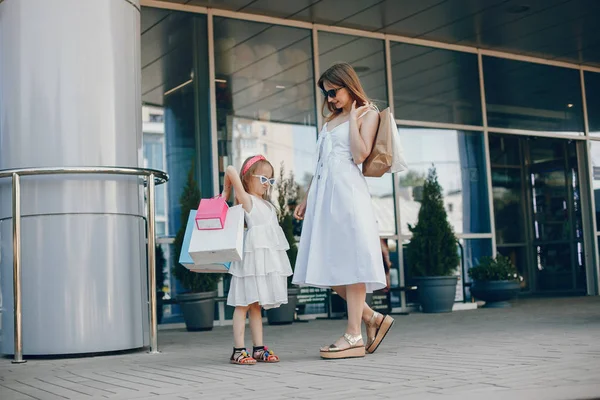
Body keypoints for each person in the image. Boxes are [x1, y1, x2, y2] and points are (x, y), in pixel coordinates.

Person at [292, 62, 394, 359]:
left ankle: (353, 335)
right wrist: (308, 197)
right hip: (325, 196)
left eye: (334, 92)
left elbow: (360, 154)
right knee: (325, 264)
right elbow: (322, 163)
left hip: (348, 194)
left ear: (348, 86)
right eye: (327, 94)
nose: (330, 99)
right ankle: (373, 319)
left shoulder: (368, 113)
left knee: (351, 262)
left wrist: (352, 117)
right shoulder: (328, 122)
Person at [221, 155, 293, 365]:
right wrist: (227, 191)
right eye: (263, 179)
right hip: (250, 262)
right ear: (249, 178)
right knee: (243, 304)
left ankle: (258, 348)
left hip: (264, 262)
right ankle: (238, 349)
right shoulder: (248, 200)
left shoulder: (268, 206)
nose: (267, 185)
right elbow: (231, 169)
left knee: (256, 305)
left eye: (271, 181)